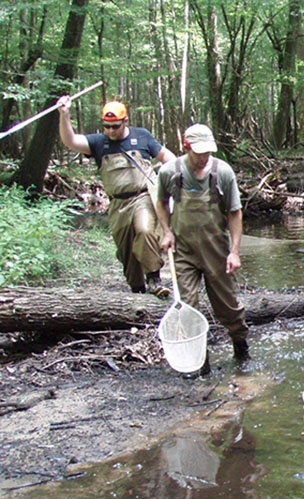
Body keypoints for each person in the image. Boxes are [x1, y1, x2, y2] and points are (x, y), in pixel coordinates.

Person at [155, 124, 250, 377]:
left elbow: (234, 212)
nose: (204, 157)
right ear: (186, 147)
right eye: (199, 153)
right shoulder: (170, 173)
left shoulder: (223, 173)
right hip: (183, 253)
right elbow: (161, 202)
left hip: (216, 250)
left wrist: (235, 251)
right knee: (187, 307)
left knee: (228, 307)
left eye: (208, 152)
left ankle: (241, 347)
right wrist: (166, 231)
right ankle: (200, 364)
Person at [57, 96, 175, 296]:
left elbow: (167, 156)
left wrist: (173, 179)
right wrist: (64, 115)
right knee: (126, 251)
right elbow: (71, 141)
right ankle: (137, 290)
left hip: (142, 197)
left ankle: (154, 279)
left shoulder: (143, 137)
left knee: (145, 231)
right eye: (107, 126)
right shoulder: (98, 143)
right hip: (117, 204)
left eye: (115, 126)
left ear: (125, 121)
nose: (111, 130)